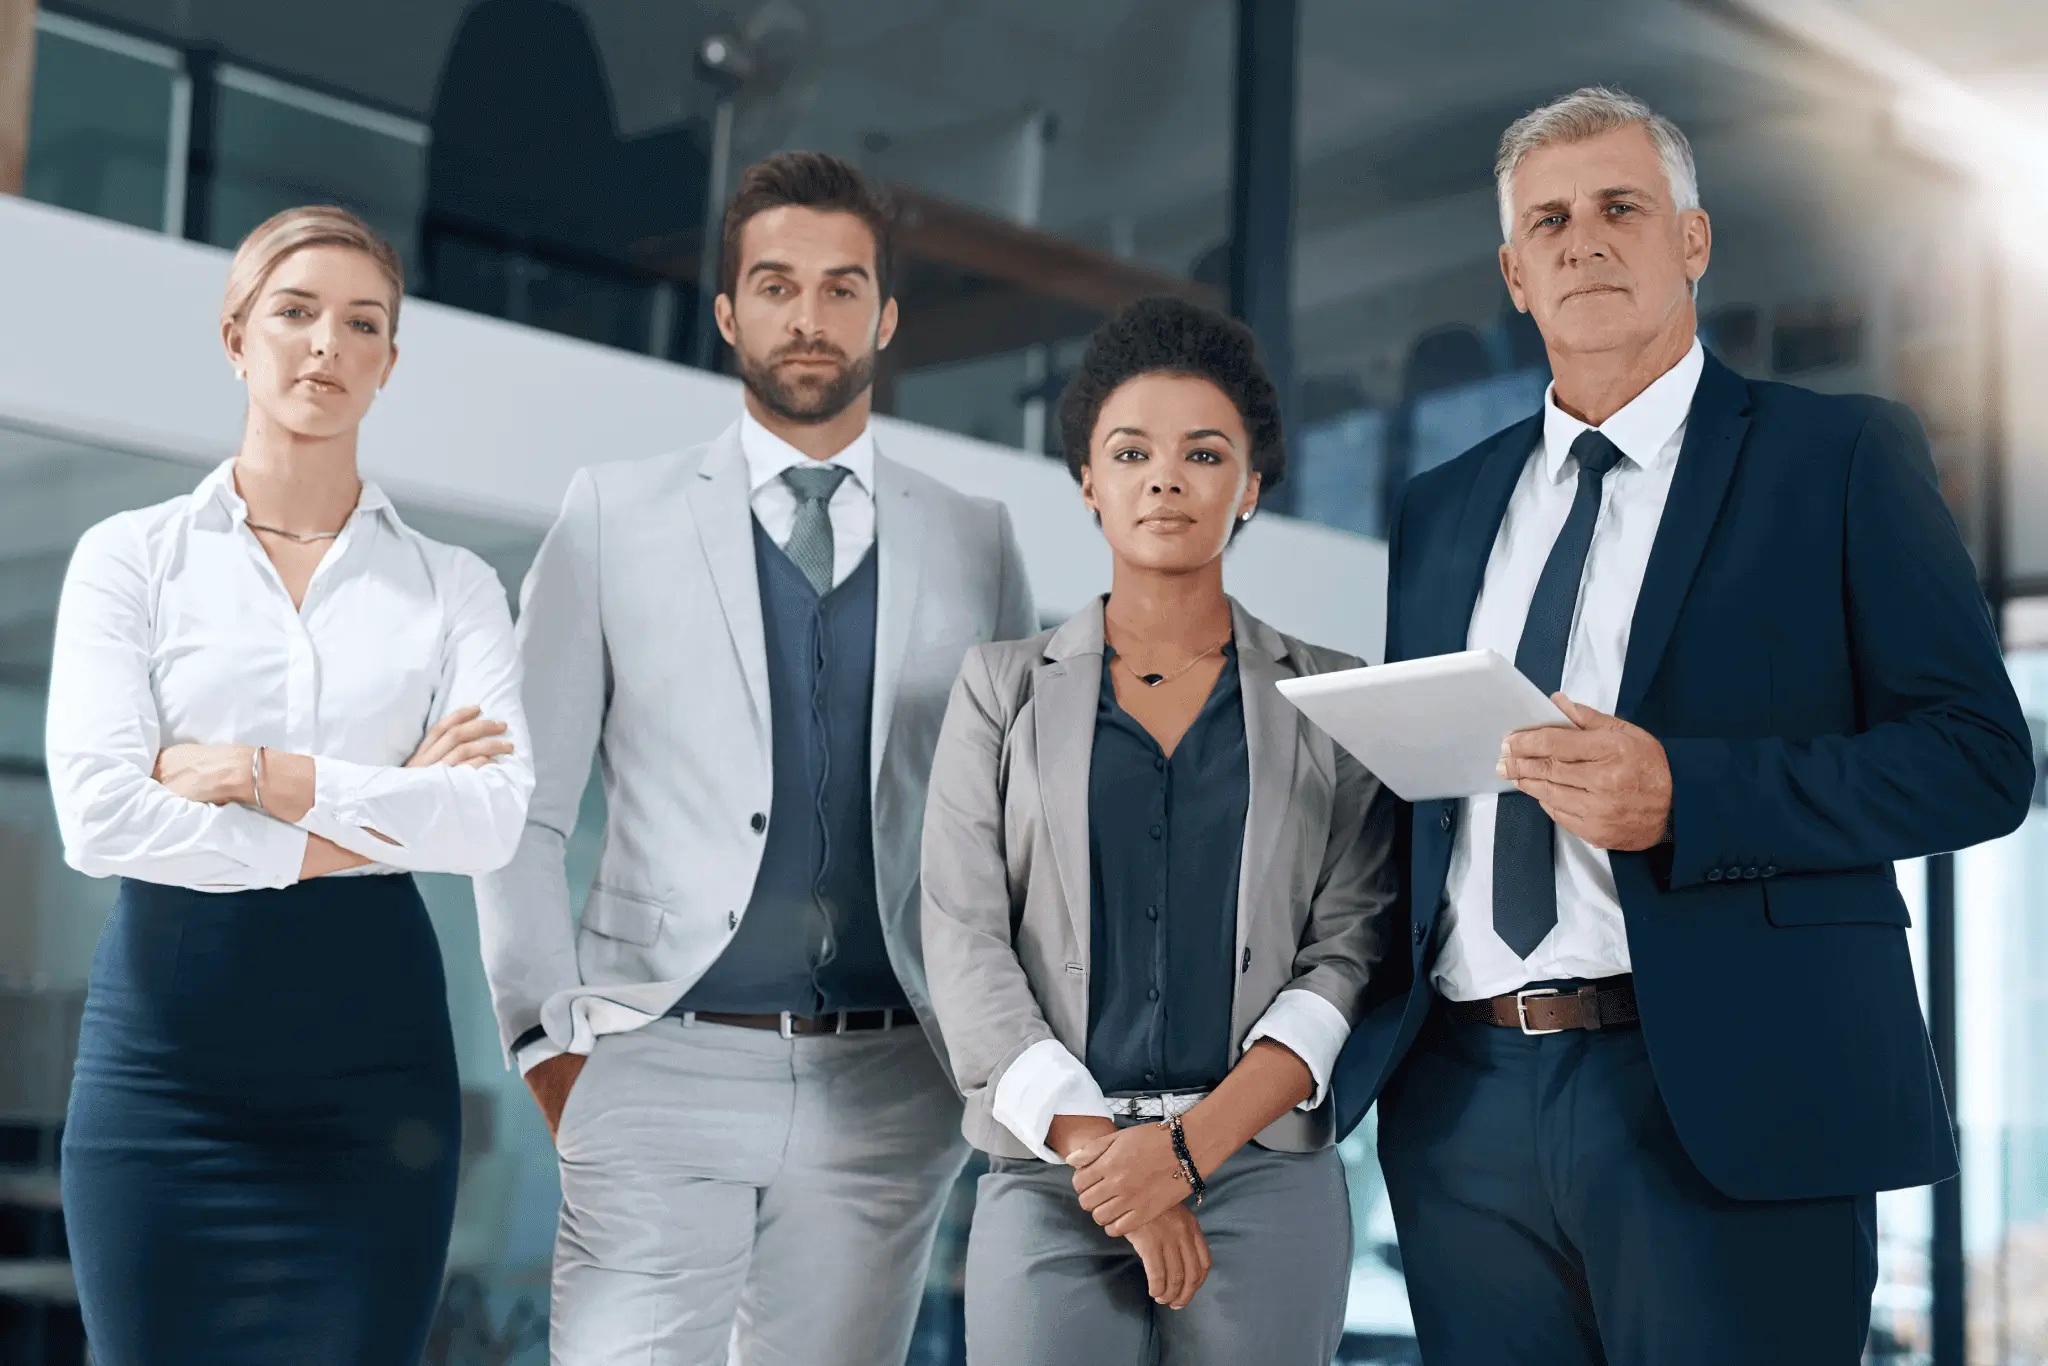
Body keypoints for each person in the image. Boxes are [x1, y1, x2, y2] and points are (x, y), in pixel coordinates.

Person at [1330, 87, 2035, 1364]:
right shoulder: (1443, 504)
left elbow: (1979, 762)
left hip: (1728, 1086)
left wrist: (1687, 795)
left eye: (1620, 208)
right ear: (1512, 271)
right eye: (1548, 221)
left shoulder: (1838, 457)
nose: (1582, 240)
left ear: (1692, 241)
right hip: (1463, 1102)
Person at [474, 151, 1037, 1366]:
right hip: (657, 1052)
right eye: (776, 285)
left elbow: (1013, 825)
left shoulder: (973, 538)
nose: (809, 316)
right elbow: (517, 805)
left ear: (885, 316)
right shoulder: (613, 513)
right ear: (728, 311)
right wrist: (544, 1043)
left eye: (843, 288)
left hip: (889, 1079)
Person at [46, 205, 534, 1365]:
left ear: (389, 363)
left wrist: (260, 776)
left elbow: (492, 817)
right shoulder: (131, 557)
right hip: (163, 1084)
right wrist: (384, 809)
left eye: (361, 322)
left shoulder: (452, 586)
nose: (326, 343)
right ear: (235, 337)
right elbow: (100, 815)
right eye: (295, 312)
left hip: (373, 1098)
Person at [920, 296, 1397, 1366]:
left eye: (1202, 452)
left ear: (1251, 486)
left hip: (1262, 1171)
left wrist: (1186, 1153)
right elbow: (961, 942)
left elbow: (1348, 953)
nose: (1163, 476)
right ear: (1088, 480)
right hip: (1051, 1175)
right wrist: (1117, 1169)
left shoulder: (1334, 696)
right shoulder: (997, 691)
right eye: (1129, 451)